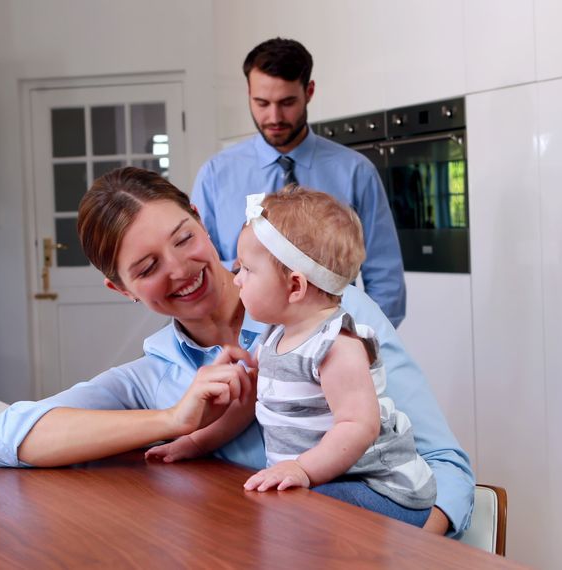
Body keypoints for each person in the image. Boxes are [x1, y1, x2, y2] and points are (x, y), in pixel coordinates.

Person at [0, 167, 474, 536]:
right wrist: (175, 420)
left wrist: (400, 555)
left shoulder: (334, 315)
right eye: (148, 266)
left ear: (200, 219)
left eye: (183, 239)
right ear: (123, 289)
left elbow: (446, 465)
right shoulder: (154, 377)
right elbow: (10, 437)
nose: (179, 269)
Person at [145, 188, 436, 525]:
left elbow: (359, 425)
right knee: (280, 516)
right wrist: (195, 443)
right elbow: (247, 410)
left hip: (381, 489)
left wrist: (302, 469)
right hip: (330, 481)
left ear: (295, 287)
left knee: (291, 516)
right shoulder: (275, 336)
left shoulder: (336, 345)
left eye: (247, 270)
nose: (236, 280)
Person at [191, 37, 407, 328]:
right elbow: (204, 271)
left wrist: (362, 344)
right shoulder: (215, 176)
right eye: (262, 103)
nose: (274, 117)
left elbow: (385, 277)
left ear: (309, 92)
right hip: (243, 347)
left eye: (287, 102)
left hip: (335, 342)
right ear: (249, 93)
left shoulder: (356, 172)